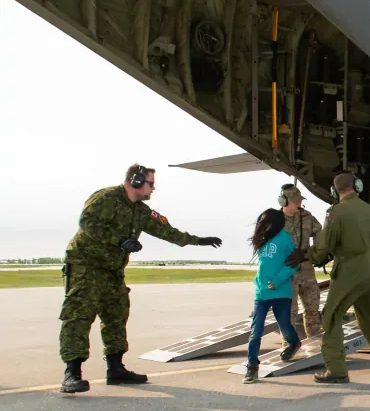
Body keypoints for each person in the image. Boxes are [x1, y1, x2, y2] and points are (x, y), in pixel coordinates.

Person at [58, 164, 223, 394]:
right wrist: (119, 240)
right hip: (86, 266)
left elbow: (168, 232)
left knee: (117, 315)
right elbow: (87, 222)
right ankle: (72, 374)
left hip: (112, 271)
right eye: (150, 184)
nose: (153, 189)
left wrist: (198, 240)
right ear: (135, 181)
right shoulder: (106, 198)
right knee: (79, 316)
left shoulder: (142, 211)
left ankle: (115, 369)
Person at [288, 171, 370, 383]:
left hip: (352, 267)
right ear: (356, 186)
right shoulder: (368, 208)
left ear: (333, 191)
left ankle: (336, 370)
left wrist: (308, 255)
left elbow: (324, 245)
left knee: (332, 315)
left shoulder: (336, 212)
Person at [243, 209, 302, 384]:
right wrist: (259, 284)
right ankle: (252, 366)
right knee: (256, 332)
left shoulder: (284, 238)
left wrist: (276, 280)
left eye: (266, 222)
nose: (262, 225)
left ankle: (294, 343)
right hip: (262, 294)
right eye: (261, 222)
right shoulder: (262, 238)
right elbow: (263, 266)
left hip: (281, 292)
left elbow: (294, 263)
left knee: (284, 325)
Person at [278, 184, 323, 338]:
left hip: (306, 271)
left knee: (313, 309)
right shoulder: (275, 221)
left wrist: (313, 253)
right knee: (289, 312)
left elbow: (320, 233)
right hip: (286, 274)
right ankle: (289, 345)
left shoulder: (307, 217)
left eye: (300, 200)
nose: (299, 203)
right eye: (295, 201)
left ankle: (315, 342)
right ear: (283, 201)